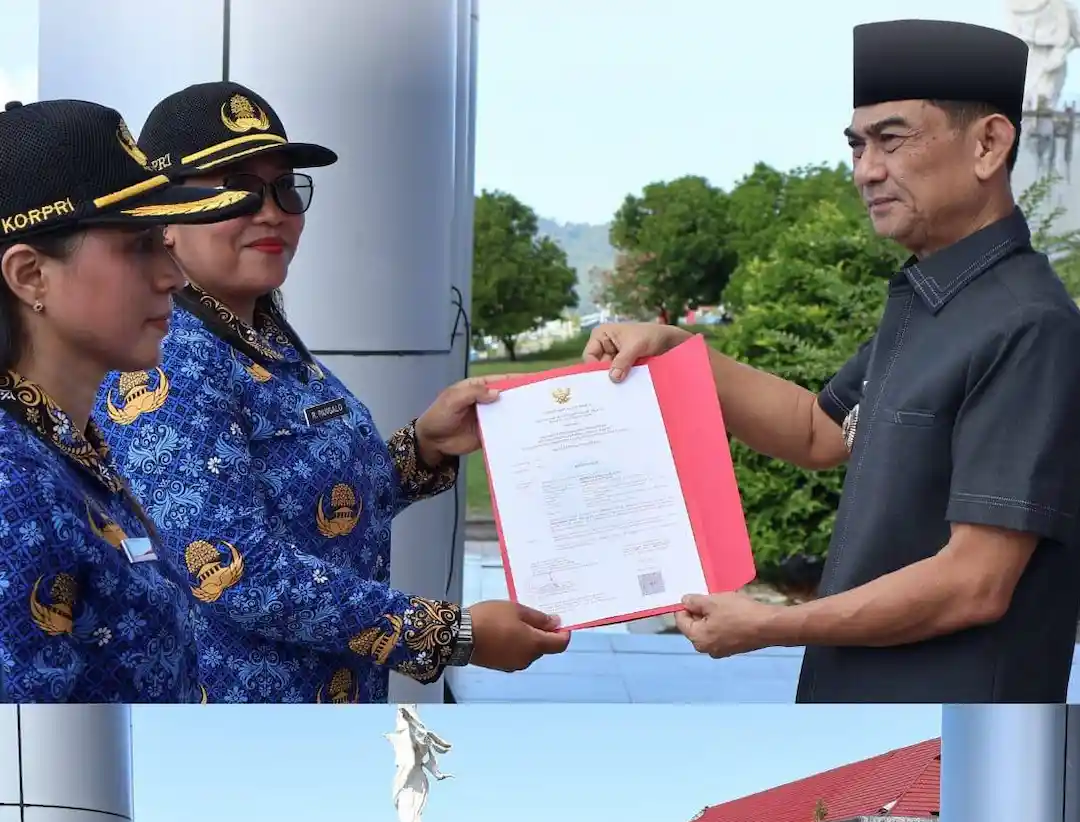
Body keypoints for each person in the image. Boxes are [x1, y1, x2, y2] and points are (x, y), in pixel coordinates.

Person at [583, 20, 1080, 704]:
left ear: (989, 144)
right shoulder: (933, 296)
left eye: (892, 139)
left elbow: (975, 583)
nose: (867, 170)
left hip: (944, 710)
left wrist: (774, 625)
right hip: (855, 688)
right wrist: (677, 352)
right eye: (857, 145)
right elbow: (820, 430)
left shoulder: (1029, 325)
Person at [96, 81, 568, 702]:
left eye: (284, 187)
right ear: (162, 219)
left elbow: (314, 506)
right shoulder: (162, 360)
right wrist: (454, 635)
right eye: (236, 187)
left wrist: (422, 449)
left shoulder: (261, 329)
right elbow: (241, 576)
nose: (271, 211)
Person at [0, 97, 260, 702]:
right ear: (30, 275)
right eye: (138, 244)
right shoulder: (13, 487)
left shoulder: (64, 444)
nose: (171, 275)